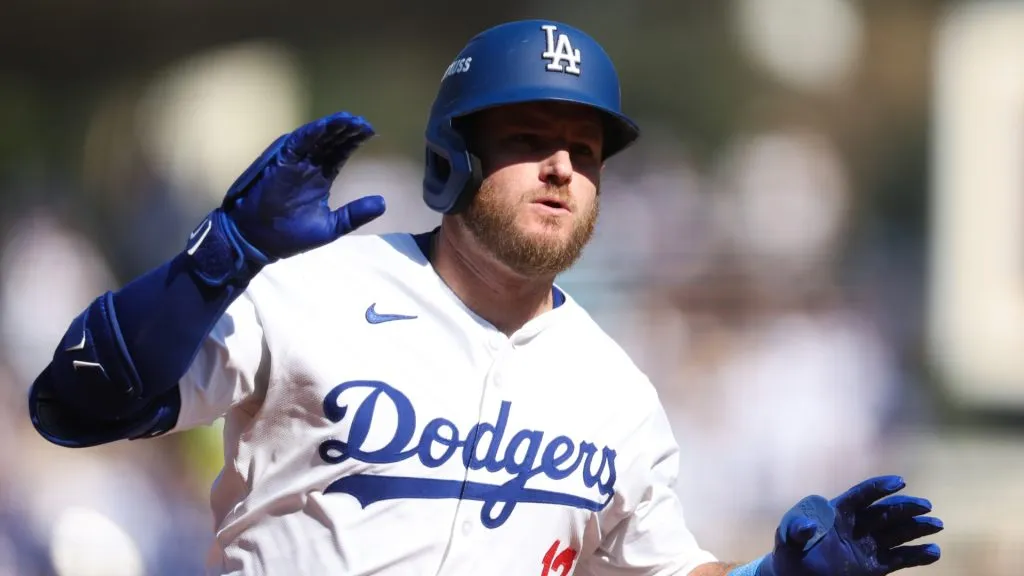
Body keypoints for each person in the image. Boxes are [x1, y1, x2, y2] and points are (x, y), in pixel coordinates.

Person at [27, 19, 943, 576]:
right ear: (449, 160)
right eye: (530, 137)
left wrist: (783, 573)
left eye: (584, 153)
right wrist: (218, 256)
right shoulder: (314, 292)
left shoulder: (616, 390)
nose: (561, 167)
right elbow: (75, 405)